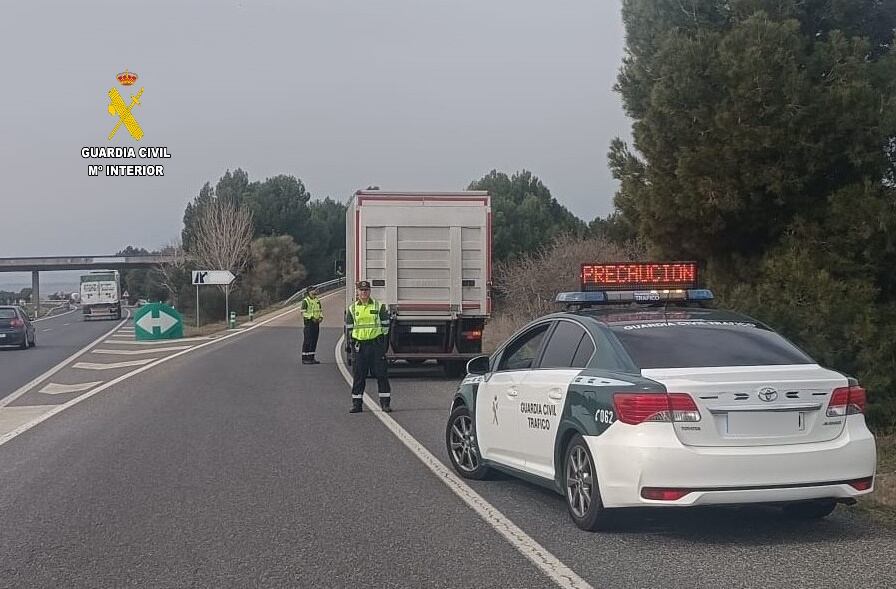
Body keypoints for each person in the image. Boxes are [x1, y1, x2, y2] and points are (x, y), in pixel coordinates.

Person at [345, 280, 392, 413]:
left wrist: (379, 339)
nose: (364, 293)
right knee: (359, 376)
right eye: (361, 290)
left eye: (366, 290)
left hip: (375, 345)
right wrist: (353, 342)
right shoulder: (353, 308)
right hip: (360, 346)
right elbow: (349, 327)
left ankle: (385, 404)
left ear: (369, 291)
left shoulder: (378, 306)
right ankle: (357, 404)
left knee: (381, 374)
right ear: (358, 292)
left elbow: (385, 325)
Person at [300, 287, 323, 364]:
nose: (316, 291)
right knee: (308, 341)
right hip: (309, 323)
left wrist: (321, 317)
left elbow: (320, 310)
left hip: (316, 323)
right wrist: (311, 317)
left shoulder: (317, 300)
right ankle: (305, 358)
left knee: (314, 340)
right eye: (314, 290)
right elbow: (303, 312)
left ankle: (311, 358)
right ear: (310, 292)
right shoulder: (306, 301)